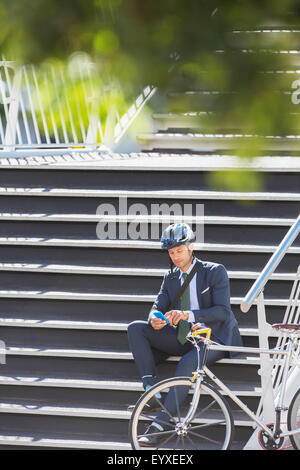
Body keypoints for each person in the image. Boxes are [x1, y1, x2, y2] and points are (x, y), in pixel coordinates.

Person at [127, 222, 243, 446]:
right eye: (171, 253)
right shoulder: (170, 278)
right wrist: (155, 318)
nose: (176, 257)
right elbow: (157, 305)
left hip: (214, 337)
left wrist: (186, 314)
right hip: (185, 336)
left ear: (191, 247)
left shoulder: (215, 271)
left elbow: (223, 312)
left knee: (188, 363)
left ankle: (159, 425)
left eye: (179, 250)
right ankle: (153, 391)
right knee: (136, 328)